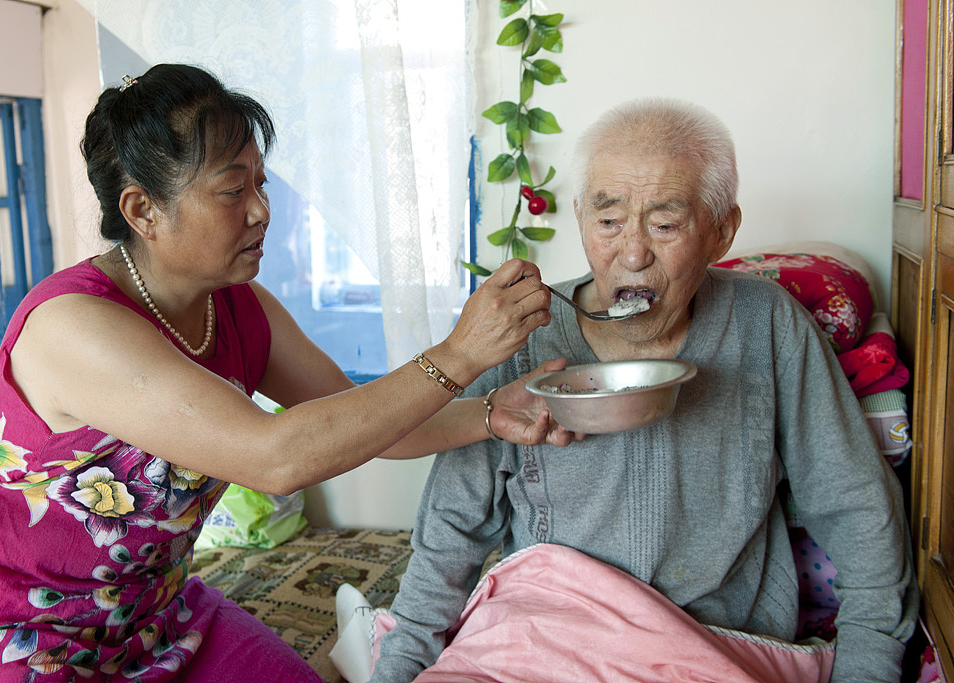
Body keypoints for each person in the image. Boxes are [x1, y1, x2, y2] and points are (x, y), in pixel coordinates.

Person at [0, 63, 578, 682]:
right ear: (142, 210)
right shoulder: (73, 326)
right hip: (11, 632)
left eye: (261, 184)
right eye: (233, 189)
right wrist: (460, 352)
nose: (262, 210)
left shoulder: (237, 310)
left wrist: (493, 414)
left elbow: (360, 419)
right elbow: (276, 457)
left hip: (153, 619)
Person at [370, 99, 918, 683]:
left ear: (721, 232)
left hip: (708, 650)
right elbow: (448, 535)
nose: (632, 254)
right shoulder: (519, 334)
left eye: (665, 224)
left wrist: (870, 669)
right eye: (607, 222)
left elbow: (857, 510)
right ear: (580, 218)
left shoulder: (767, 325)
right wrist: (399, 670)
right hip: (539, 639)